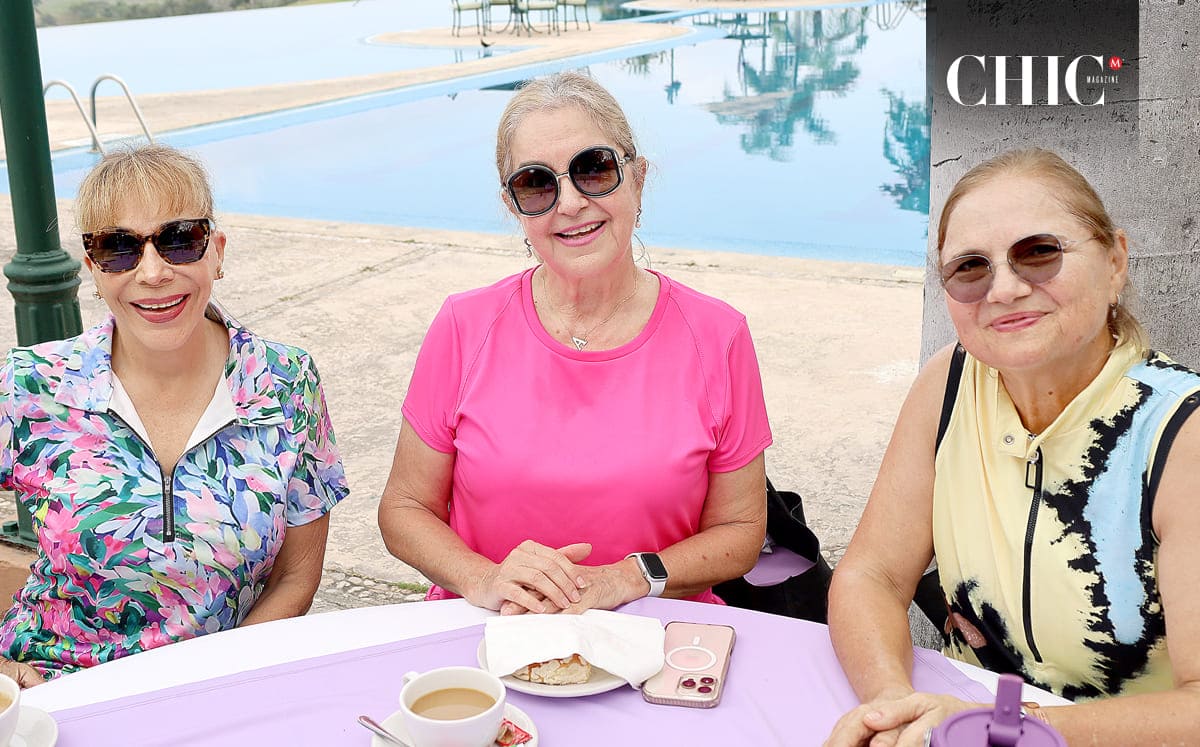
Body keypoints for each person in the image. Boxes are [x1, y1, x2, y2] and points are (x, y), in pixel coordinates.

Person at [825, 148, 1200, 746]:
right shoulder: (950, 383)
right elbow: (872, 575)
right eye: (970, 268)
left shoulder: (1181, 436)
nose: (1003, 289)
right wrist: (893, 707)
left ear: (1115, 262)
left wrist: (1009, 728)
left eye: (1039, 252)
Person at [378, 71, 771, 615]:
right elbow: (404, 508)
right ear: (514, 206)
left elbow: (741, 530)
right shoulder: (463, 325)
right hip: (490, 632)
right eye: (536, 184)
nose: (569, 203)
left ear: (638, 179)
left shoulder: (718, 336)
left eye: (593, 169)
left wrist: (629, 578)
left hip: (658, 633)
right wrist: (485, 578)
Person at [0, 144, 349, 685]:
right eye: (118, 248)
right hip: (53, 686)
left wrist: (216, 686)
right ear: (94, 269)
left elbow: (296, 577)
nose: (153, 272)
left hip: (219, 687)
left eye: (180, 240)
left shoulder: (284, 382)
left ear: (217, 252)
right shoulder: (31, 385)